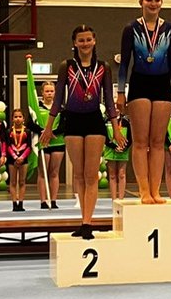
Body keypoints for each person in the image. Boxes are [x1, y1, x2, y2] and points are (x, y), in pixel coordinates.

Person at [40, 25, 126, 239]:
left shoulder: (104, 67)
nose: (85, 43)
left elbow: (109, 100)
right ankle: (83, 219)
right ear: (75, 43)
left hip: (94, 121)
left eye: (88, 39)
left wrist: (116, 129)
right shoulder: (67, 66)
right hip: (73, 120)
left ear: (94, 41)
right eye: (81, 40)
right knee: (78, 173)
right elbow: (58, 99)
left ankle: (88, 222)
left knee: (91, 174)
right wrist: (49, 127)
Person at [117, 0, 171, 204]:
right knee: (141, 141)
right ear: (141, 2)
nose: (153, 4)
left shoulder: (170, 29)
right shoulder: (131, 28)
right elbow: (124, 63)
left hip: (162, 84)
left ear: (161, 3)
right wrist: (121, 92)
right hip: (139, 84)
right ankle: (143, 189)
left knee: (158, 141)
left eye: (157, 0)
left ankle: (155, 190)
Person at [28, 81, 65, 209]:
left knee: (54, 172)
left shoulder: (60, 108)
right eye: (47, 91)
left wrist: (52, 133)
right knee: (43, 172)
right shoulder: (36, 107)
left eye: (52, 91)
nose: (49, 93)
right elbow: (30, 123)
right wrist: (43, 132)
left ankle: (53, 200)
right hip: (42, 142)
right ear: (42, 93)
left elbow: (64, 125)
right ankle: (43, 201)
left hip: (58, 141)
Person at [103, 106, 132, 200]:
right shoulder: (106, 121)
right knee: (112, 175)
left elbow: (130, 138)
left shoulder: (126, 121)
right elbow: (105, 137)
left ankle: (121, 199)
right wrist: (114, 147)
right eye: (113, 105)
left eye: (117, 105)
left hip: (123, 150)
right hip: (110, 150)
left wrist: (124, 147)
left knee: (122, 174)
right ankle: (114, 199)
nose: (115, 107)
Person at [7, 108, 32, 212]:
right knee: (13, 182)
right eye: (15, 117)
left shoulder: (27, 131)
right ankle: (14, 203)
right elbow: (8, 145)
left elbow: (29, 146)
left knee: (22, 181)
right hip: (12, 158)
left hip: (23, 158)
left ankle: (21, 203)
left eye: (20, 117)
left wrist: (22, 157)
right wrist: (14, 157)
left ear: (23, 119)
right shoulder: (9, 131)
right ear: (12, 119)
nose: (18, 119)